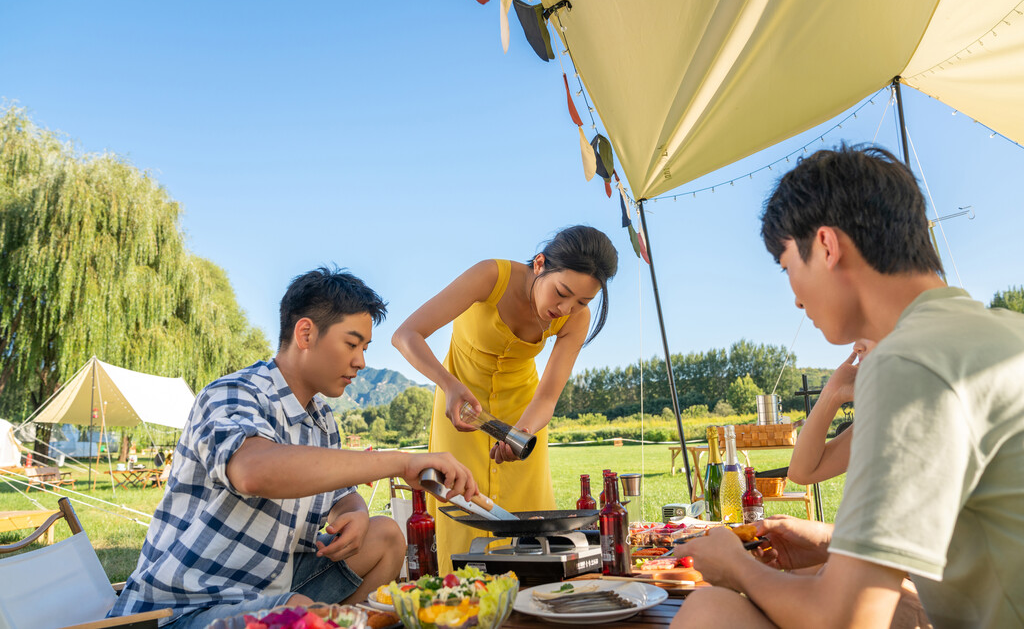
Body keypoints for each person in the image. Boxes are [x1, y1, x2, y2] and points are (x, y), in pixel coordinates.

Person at [672, 145, 1024, 628]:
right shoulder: (1002, 333)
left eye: (787, 267)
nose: (795, 298)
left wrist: (737, 568)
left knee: (710, 610)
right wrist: (833, 543)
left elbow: (844, 620)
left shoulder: (908, 360)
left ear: (826, 246)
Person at [110, 268, 479, 628]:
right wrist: (401, 462)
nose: (361, 362)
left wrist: (355, 512)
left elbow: (341, 494)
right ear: (305, 333)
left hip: (268, 586)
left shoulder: (322, 422)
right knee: (299, 613)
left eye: (364, 348)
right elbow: (254, 471)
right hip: (180, 608)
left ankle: (344, 623)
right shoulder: (234, 393)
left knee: (384, 536)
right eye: (351, 344)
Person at [392, 225, 618, 571]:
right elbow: (406, 335)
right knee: (463, 511)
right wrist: (448, 385)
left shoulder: (575, 317)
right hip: (461, 407)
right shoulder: (491, 276)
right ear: (540, 264)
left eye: (582, 302)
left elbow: (547, 396)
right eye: (561, 293)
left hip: (524, 412)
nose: (566, 308)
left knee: (529, 521)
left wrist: (522, 432)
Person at [786, 338, 875, 485]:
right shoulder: (879, 418)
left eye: (868, 333)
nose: (856, 347)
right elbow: (800, 473)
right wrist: (831, 395)